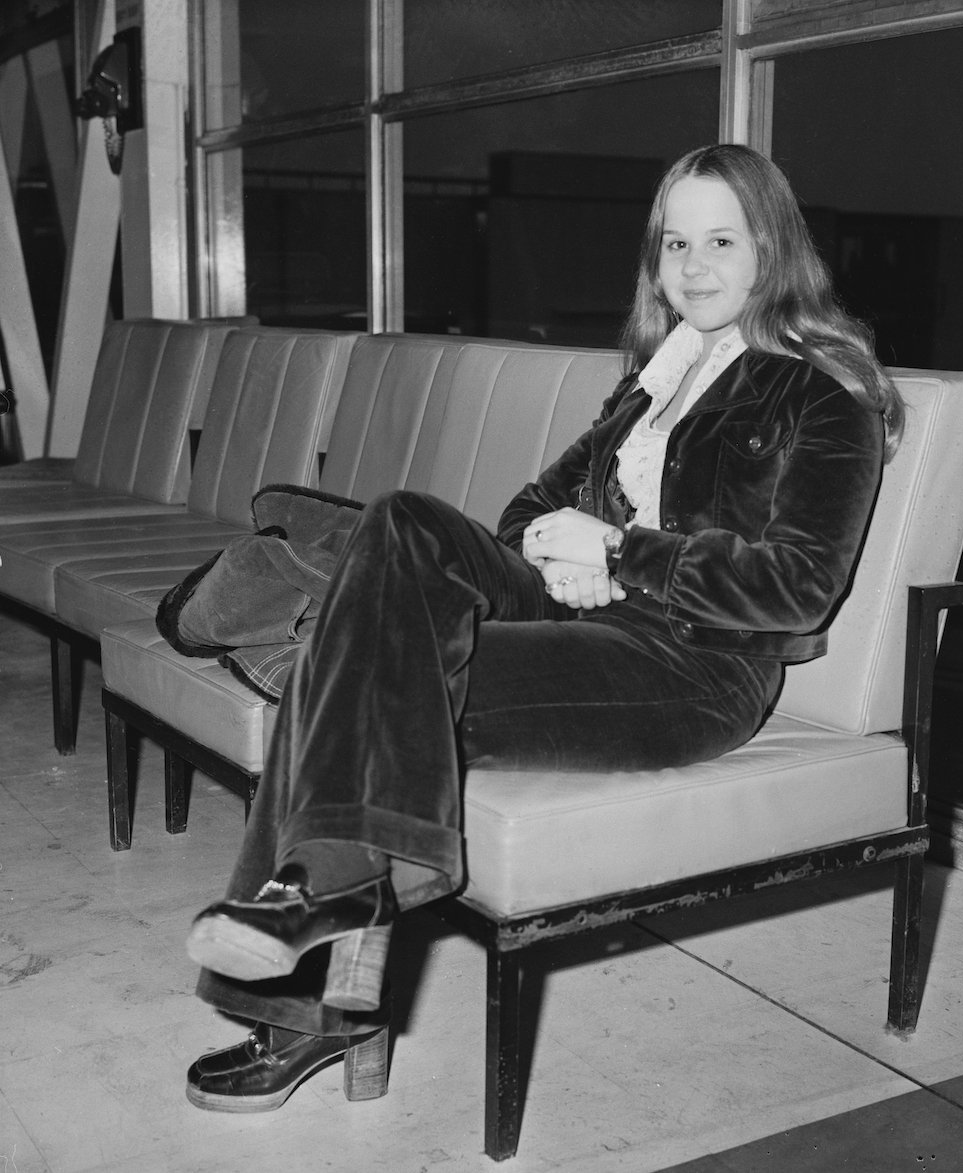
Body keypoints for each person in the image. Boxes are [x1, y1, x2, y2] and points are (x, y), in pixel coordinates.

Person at [183, 143, 905, 1111]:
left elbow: (798, 590)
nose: (692, 267)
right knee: (402, 522)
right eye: (674, 242)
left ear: (774, 249)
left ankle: (312, 961)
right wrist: (567, 563)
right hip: (582, 612)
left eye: (721, 240)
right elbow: (526, 510)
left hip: (693, 668)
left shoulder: (819, 394)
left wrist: (622, 553)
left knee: (346, 664)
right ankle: (335, 891)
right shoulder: (656, 379)